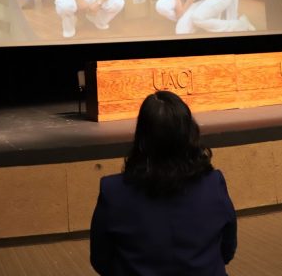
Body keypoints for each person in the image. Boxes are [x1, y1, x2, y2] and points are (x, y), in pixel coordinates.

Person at [90, 91, 237, 275]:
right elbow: (227, 250)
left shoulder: (113, 192)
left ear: (141, 137)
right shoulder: (214, 184)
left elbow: (100, 260)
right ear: (189, 133)